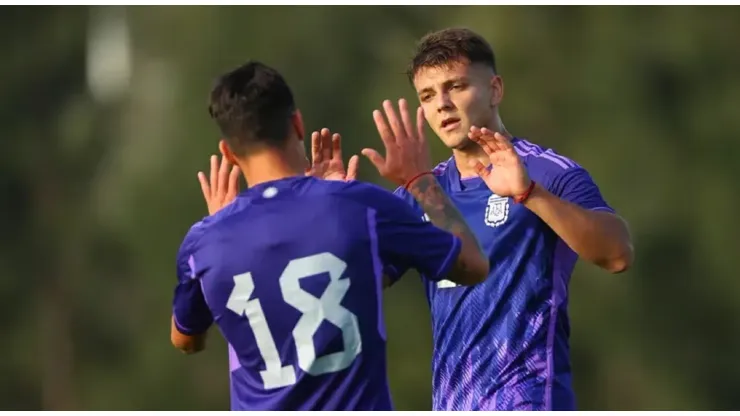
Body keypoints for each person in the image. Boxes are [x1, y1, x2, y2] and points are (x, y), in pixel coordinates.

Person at [168, 60, 489, 411]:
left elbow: (186, 339)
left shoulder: (204, 243)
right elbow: (472, 265)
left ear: (228, 152)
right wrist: (420, 181)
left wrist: (224, 232)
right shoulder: (361, 208)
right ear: (297, 123)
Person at [375, 28, 635, 410]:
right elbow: (354, 283)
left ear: (495, 90)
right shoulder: (422, 194)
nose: (442, 105)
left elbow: (617, 253)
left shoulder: (546, 172)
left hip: (528, 400)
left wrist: (530, 195)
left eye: (456, 86)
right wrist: (332, 214)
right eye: (428, 96)